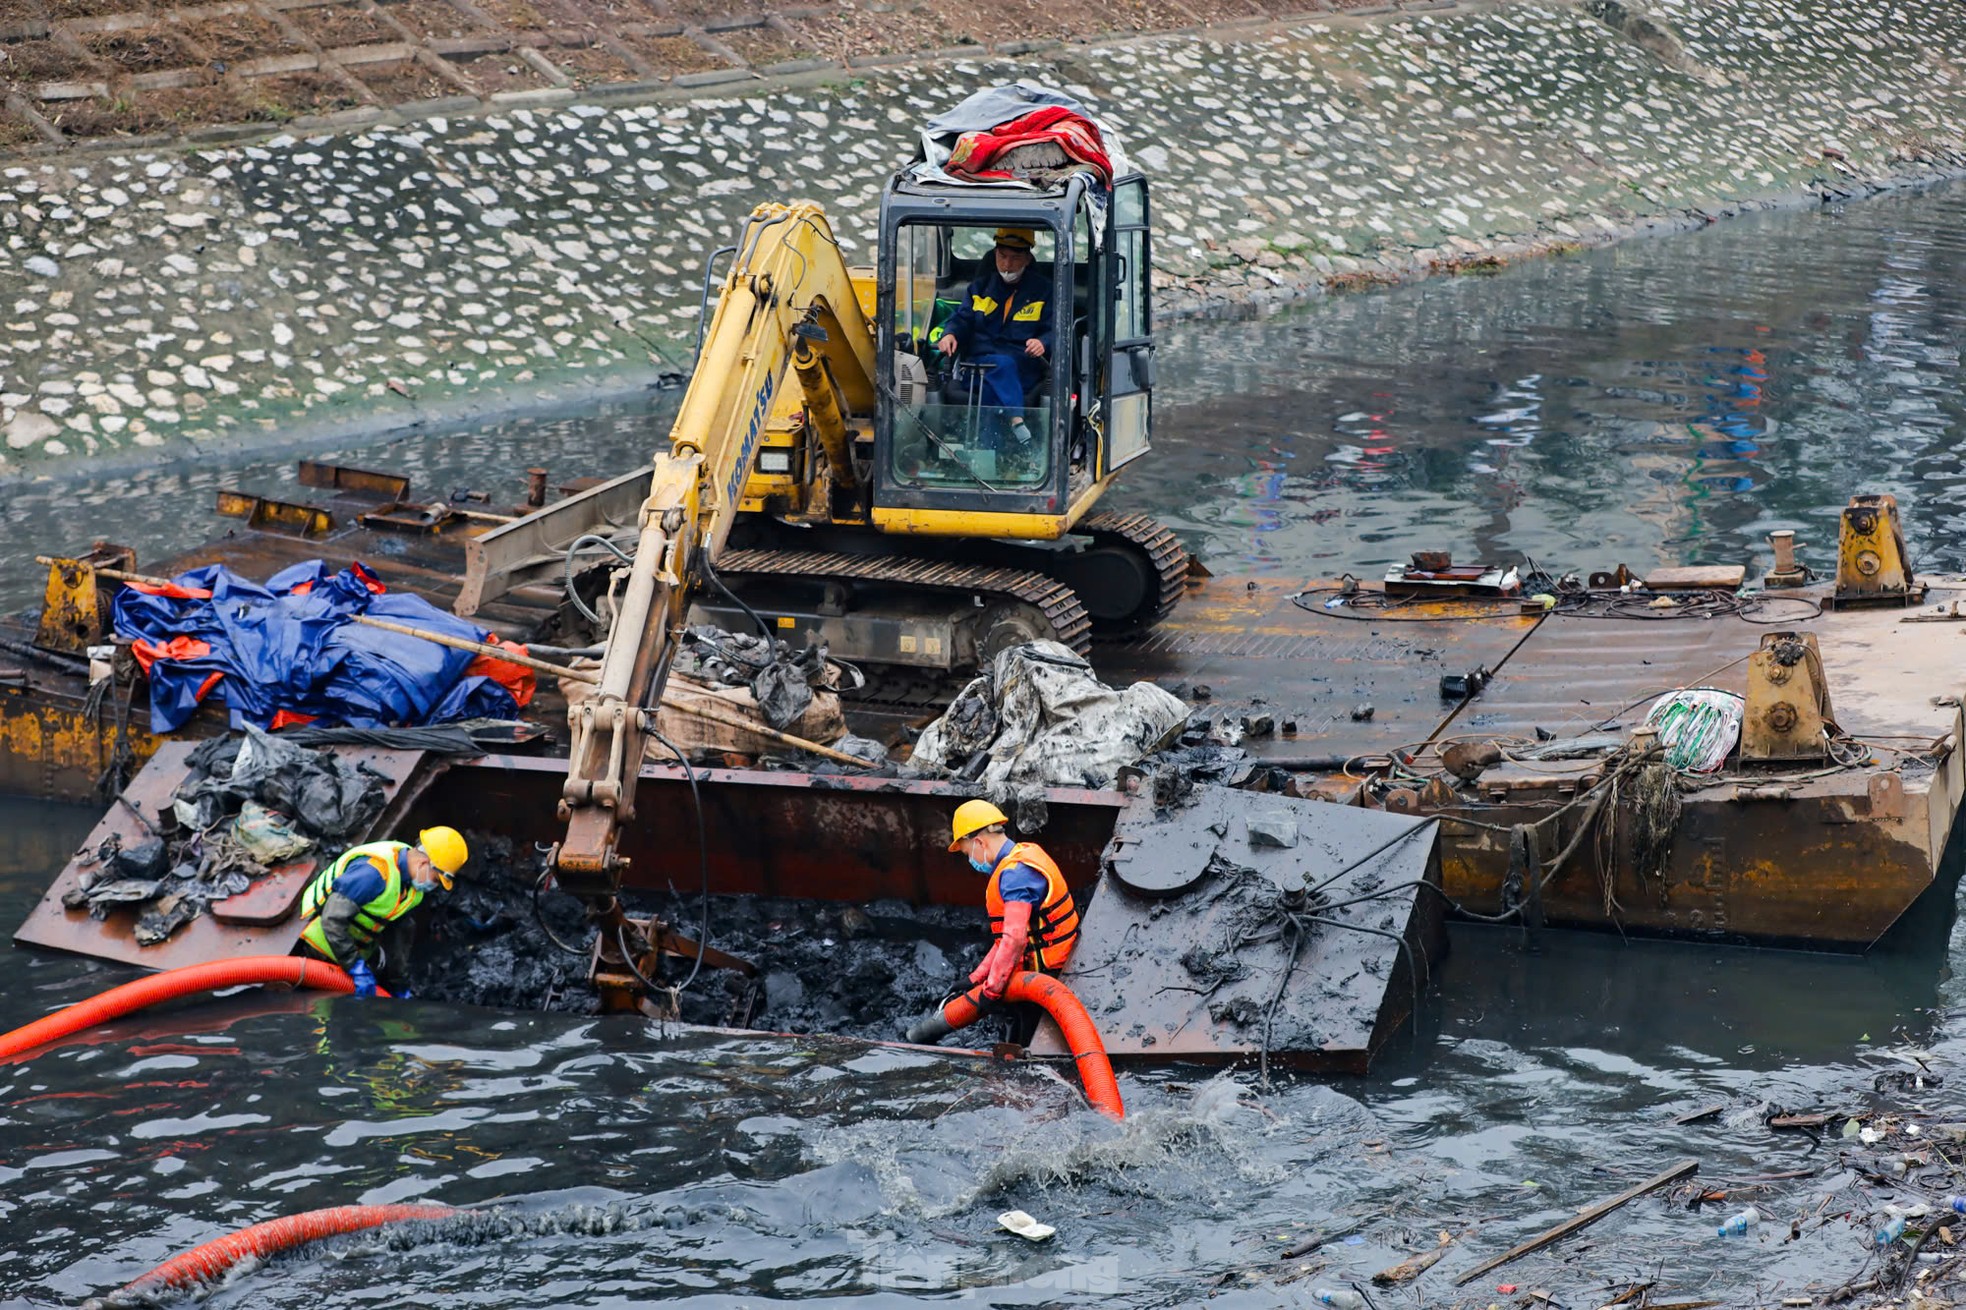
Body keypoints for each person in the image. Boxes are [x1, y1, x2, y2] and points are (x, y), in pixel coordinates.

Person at [296, 826, 468, 999]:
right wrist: (355, 966)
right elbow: (332, 920)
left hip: (352, 951)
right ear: (424, 863)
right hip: (318, 946)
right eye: (436, 879)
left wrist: (397, 982)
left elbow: (399, 935)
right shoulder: (373, 874)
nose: (434, 886)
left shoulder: (412, 889)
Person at [947, 799, 1079, 1001]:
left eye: (967, 853)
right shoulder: (1024, 854)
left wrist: (991, 992)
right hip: (1065, 957)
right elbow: (1004, 938)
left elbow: (1014, 939)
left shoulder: (1015, 875)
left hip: (1053, 973)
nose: (970, 860)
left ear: (979, 843)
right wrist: (976, 978)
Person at [934, 227, 1056, 447]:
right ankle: (1016, 423)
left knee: (999, 376)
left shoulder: (1044, 291)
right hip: (977, 367)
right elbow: (961, 319)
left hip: (1022, 369)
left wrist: (1042, 342)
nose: (1007, 265)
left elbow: (1055, 330)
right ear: (995, 254)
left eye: (1015, 258)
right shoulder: (979, 289)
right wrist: (950, 334)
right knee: (1000, 365)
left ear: (1027, 258)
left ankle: (985, 452)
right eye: (1002, 257)